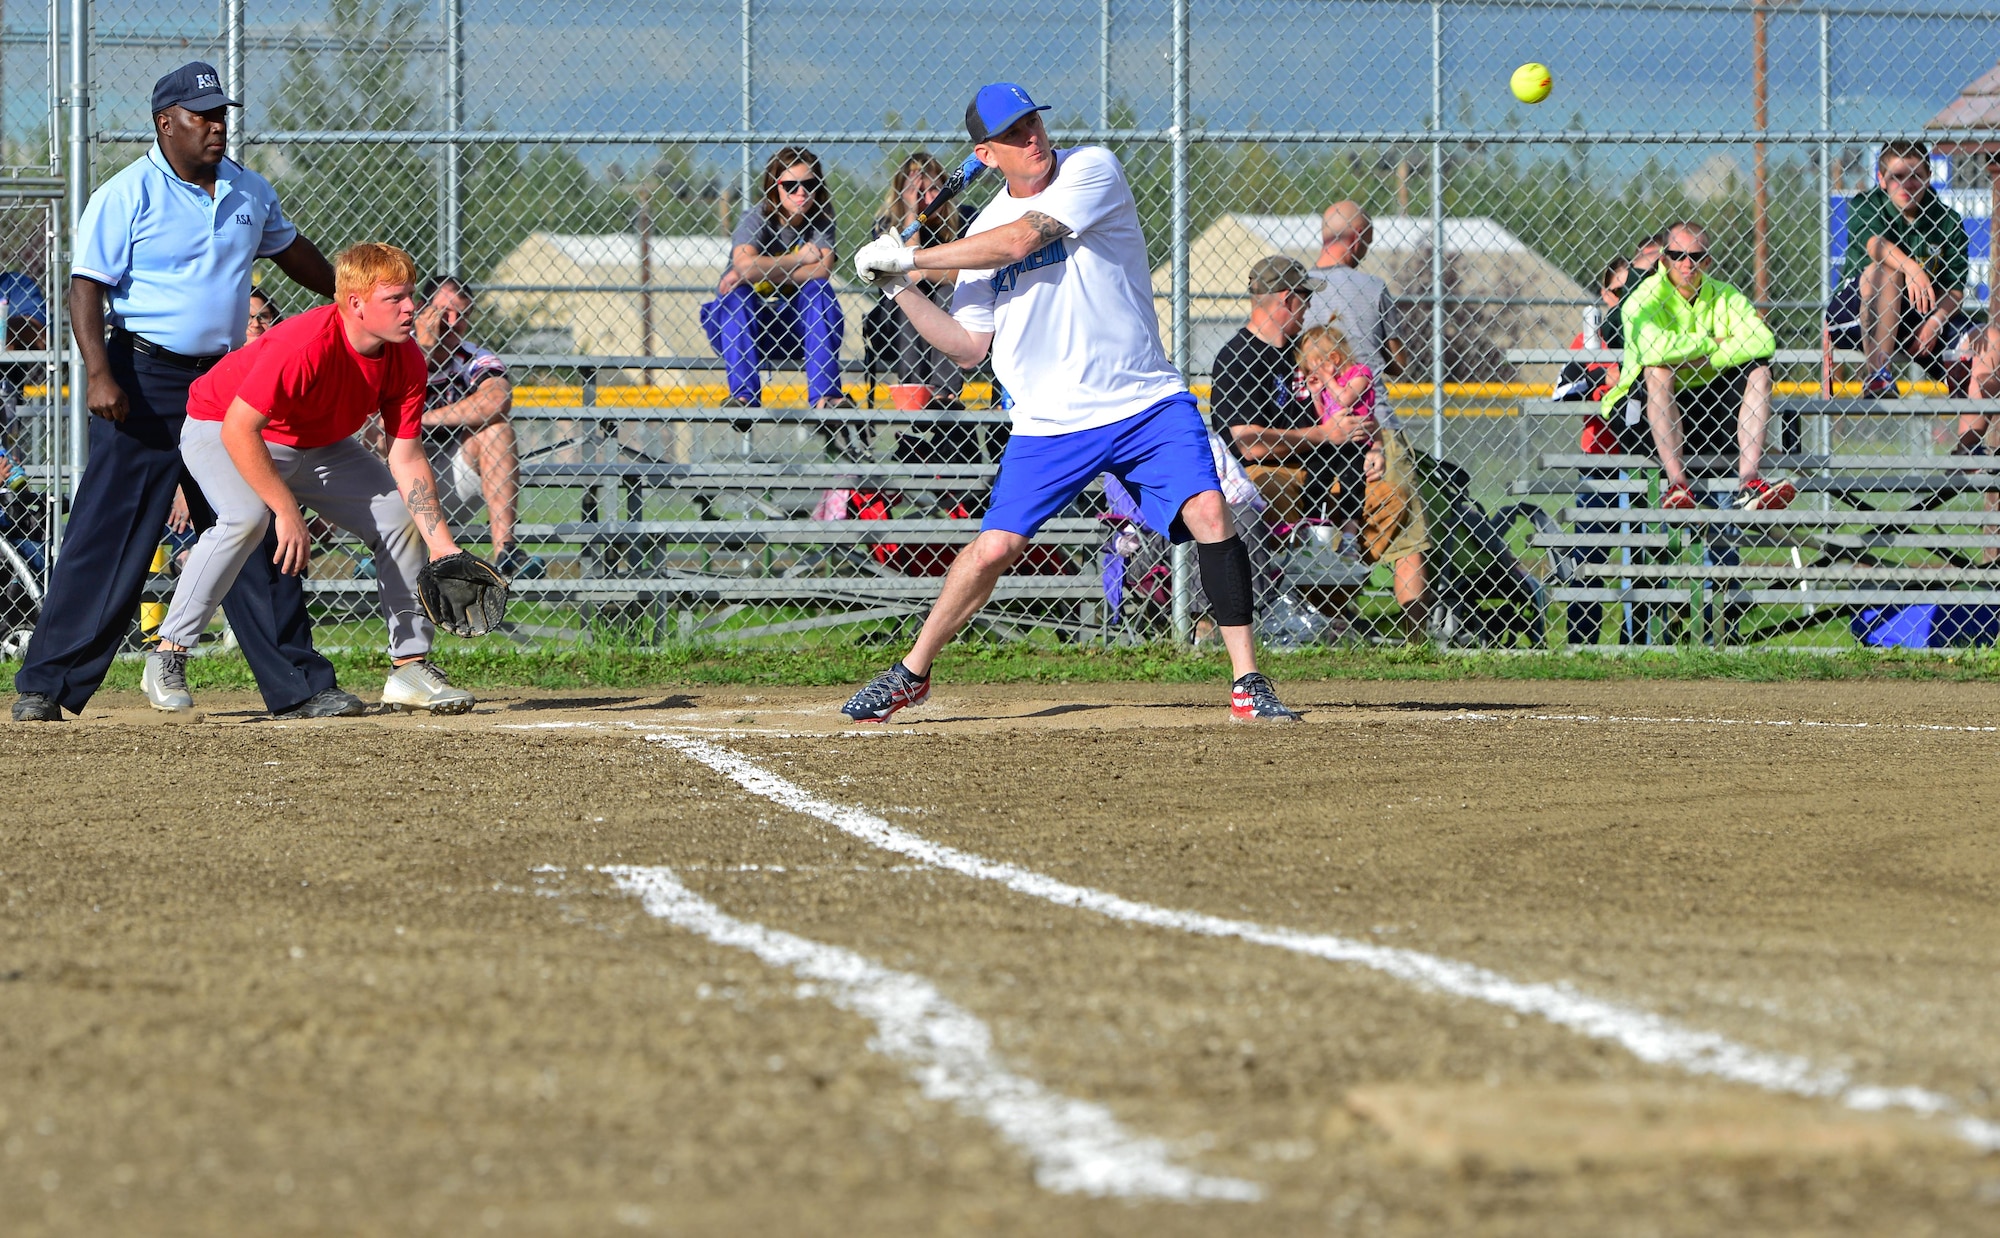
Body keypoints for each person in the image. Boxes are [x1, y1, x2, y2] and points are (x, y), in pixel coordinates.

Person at [847, 82, 1299, 722]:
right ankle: (912, 672)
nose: (1032, 137)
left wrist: (911, 255)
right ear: (987, 153)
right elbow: (969, 346)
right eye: (1013, 134)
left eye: (1033, 122)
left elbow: (1021, 241)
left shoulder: (1091, 167)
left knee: (1209, 512)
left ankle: (1248, 680)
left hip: (1143, 399)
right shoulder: (975, 231)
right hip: (1051, 422)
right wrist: (899, 288)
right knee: (994, 549)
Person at [12, 61, 355, 723]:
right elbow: (86, 288)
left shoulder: (248, 192)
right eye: (202, 116)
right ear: (165, 123)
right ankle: (46, 685)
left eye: (221, 114)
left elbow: (291, 251)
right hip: (141, 378)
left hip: (225, 385)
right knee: (109, 533)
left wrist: (349, 297)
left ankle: (300, 685)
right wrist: (100, 374)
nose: (216, 126)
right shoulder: (127, 192)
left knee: (253, 523)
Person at [145, 243, 475, 716]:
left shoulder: (405, 359)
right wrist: (285, 511)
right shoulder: (305, 344)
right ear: (355, 304)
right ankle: (168, 653)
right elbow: (241, 430)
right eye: (394, 299)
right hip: (221, 427)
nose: (411, 309)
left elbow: (404, 454)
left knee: (398, 515)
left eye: (410, 296)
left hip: (316, 442)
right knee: (246, 518)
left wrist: (441, 544)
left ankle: (409, 667)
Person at [1600, 222, 1794, 511]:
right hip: (1642, 417)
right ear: (1664, 258)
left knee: (1760, 371)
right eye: (1678, 255)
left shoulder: (1725, 294)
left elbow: (1763, 342)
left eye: (1697, 256)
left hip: (1710, 411)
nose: (1687, 264)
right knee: (1658, 369)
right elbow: (1655, 350)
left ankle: (1750, 482)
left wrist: (1689, 354)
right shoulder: (1643, 298)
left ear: (1708, 260)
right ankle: (1677, 485)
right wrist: (1711, 343)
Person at [1209, 256, 1368, 528]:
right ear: (1286, 299)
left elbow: (1350, 403)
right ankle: (1295, 567)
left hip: (1328, 462)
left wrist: (1371, 446)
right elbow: (1251, 445)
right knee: (1271, 492)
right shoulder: (1238, 358)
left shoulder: (1306, 350)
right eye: (1305, 296)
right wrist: (1325, 434)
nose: (1308, 306)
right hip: (1269, 470)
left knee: (1392, 494)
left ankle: (1352, 564)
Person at [409, 275, 535, 576]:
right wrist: (424, 348)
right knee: (377, 431)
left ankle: (506, 552)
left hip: (450, 474)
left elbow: (496, 399)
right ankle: (377, 553)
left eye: (462, 316)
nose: (452, 323)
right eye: (443, 313)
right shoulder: (395, 350)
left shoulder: (472, 357)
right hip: (398, 478)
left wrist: (424, 419)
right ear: (421, 310)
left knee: (497, 429)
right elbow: (378, 411)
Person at [706, 147, 847, 409]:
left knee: (818, 291)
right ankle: (744, 397)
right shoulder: (756, 218)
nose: (801, 193)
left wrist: (757, 269)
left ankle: (825, 397)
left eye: (809, 184)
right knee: (738, 296)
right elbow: (746, 267)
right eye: (790, 186)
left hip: (798, 329)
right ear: (774, 187)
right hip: (742, 329)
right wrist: (799, 259)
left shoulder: (822, 219)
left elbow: (822, 270)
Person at [1828, 140, 1971, 398]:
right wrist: (1913, 269)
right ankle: (1878, 374)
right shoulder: (1867, 204)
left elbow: (1955, 289)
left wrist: (1936, 322)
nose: (1907, 184)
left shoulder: (1947, 220)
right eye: (1897, 177)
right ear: (1882, 179)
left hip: (1917, 318)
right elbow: (1876, 246)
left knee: (1987, 340)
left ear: (1929, 178)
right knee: (1888, 270)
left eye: (1916, 176)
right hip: (1857, 313)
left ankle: (1972, 439)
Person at [871, 152, 965, 407]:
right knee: (912, 290)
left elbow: (965, 274)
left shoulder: (964, 218)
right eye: (917, 191)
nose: (929, 199)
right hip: (895, 321)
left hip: (955, 310)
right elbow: (907, 273)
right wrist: (912, 214)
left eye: (935, 188)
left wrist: (923, 270)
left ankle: (945, 394)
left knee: (948, 292)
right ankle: (914, 391)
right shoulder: (887, 226)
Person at [1300, 201, 1407, 422]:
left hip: (1316, 421)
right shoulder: (1374, 286)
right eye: (1367, 242)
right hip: (1372, 419)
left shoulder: (1296, 292)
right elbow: (1398, 364)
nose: (1365, 252)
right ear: (1357, 237)